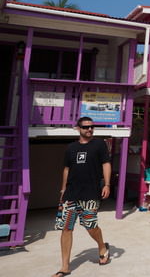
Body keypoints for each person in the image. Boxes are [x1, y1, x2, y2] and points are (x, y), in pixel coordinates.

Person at [53, 117, 112, 277]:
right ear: (78, 128)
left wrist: (107, 184)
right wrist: (62, 190)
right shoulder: (71, 147)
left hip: (90, 192)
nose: (90, 129)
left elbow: (106, 163)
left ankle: (102, 246)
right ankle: (65, 266)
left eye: (92, 127)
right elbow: (67, 169)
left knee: (90, 225)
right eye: (86, 127)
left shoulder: (99, 144)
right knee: (66, 228)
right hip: (71, 193)